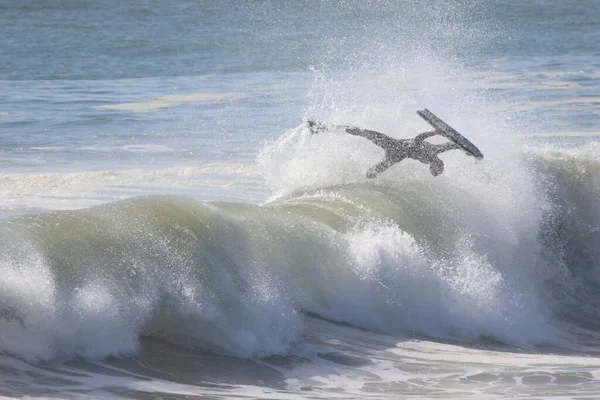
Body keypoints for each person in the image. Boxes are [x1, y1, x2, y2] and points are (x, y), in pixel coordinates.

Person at [308, 120, 460, 178]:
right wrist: (462, 146)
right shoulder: (436, 152)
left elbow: (419, 139)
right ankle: (321, 127)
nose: (440, 165)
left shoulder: (430, 157)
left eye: (437, 167)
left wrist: (434, 132)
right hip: (395, 149)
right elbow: (449, 145)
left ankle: (354, 180)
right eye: (441, 166)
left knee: (371, 173)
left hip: (395, 150)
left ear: (433, 166)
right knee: (362, 132)